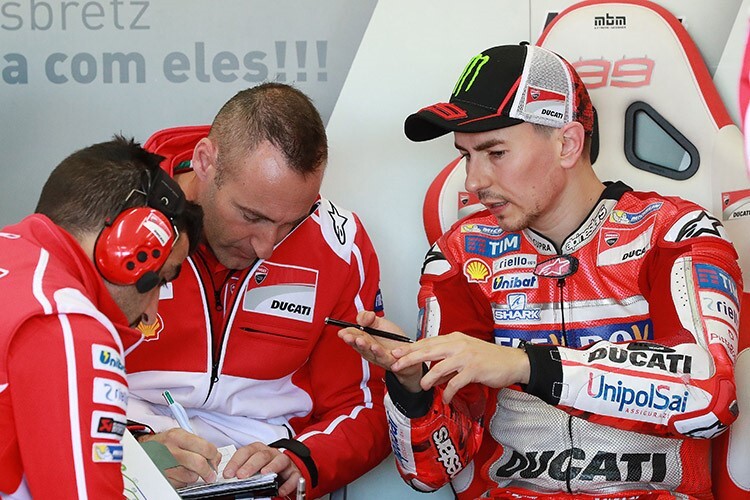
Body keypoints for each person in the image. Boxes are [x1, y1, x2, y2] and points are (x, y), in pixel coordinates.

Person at [338, 44, 742, 499]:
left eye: (495, 152)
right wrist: (411, 387)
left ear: (566, 143)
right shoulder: (460, 255)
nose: (472, 181)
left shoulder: (673, 233)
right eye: (465, 155)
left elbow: (710, 396)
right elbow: (429, 472)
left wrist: (526, 365)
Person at [125, 83, 390, 498]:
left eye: (290, 223)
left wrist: (300, 462)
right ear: (205, 161)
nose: (266, 246)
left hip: (261, 482)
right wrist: (133, 450)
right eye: (251, 216)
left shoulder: (340, 245)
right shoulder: (115, 222)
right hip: (126, 463)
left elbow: (364, 404)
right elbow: (51, 379)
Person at [0, 136, 203, 498]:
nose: (151, 311)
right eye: (158, 280)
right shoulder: (69, 327)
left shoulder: (10, 252)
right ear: (128, 248)